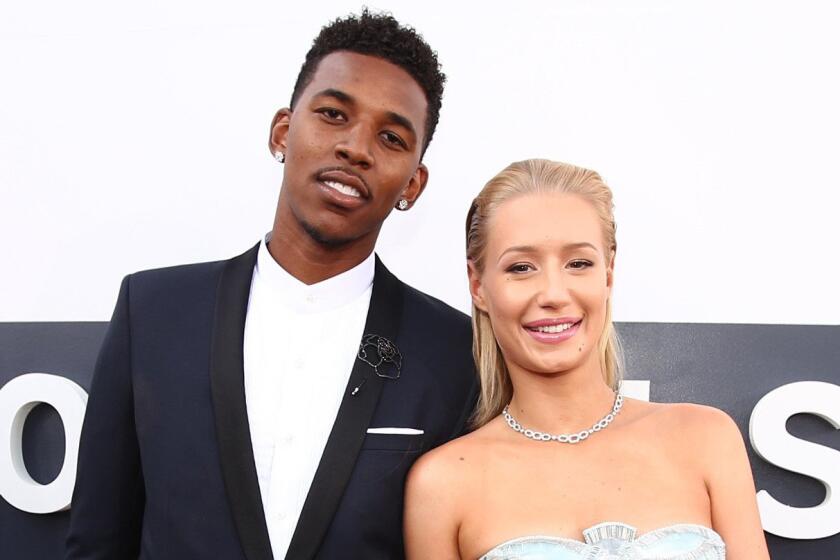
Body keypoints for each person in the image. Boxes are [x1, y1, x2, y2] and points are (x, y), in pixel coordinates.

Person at [66, 10, 476, 560]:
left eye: (391, 136)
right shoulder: (154, 314)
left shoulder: (454, 351)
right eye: (333, 114)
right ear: (283, 132)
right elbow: (98, 542)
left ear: (413, 184)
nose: (356, 148)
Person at [404, 159, 770, 559]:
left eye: (578, 263)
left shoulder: (706, 438)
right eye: (521, 267)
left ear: (608, 273)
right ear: (478, 287)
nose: (554, 293)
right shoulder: (442, 484)